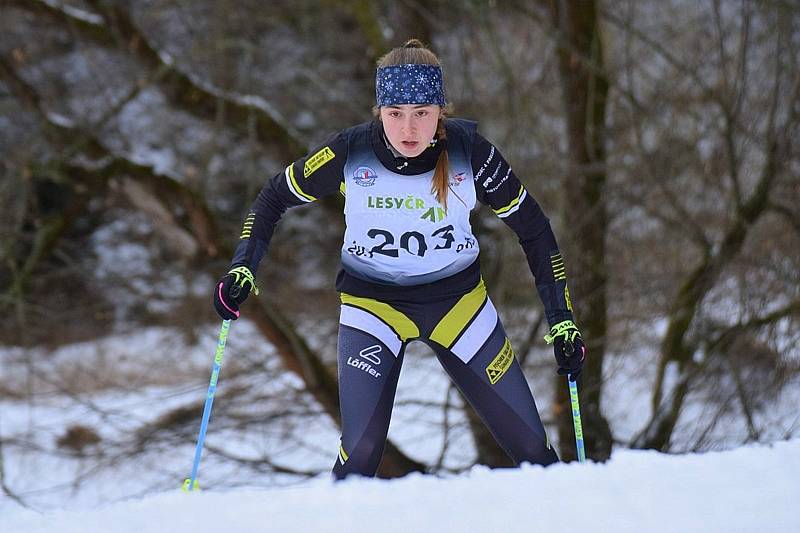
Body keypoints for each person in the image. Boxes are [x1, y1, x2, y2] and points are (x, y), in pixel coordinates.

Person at [213, 39, 586, 479]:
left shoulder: (472, 153)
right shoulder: (350, 152)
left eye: (422, 114)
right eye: (395, 114)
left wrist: (561, 317)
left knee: (531, 447)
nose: (408, 129)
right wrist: (243, 265)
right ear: (379, 112)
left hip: (458, 305)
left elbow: (535, 230)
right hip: (373, 307)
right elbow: (273, 197)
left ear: (440, 112)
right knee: (362, 450)